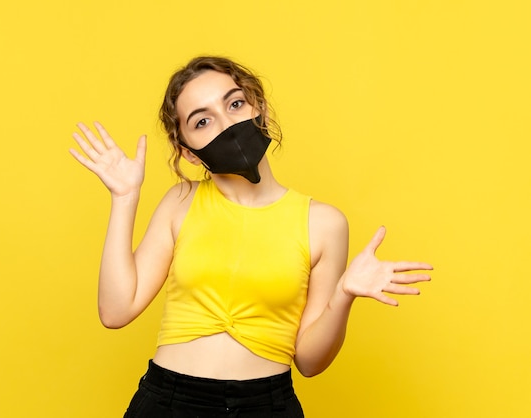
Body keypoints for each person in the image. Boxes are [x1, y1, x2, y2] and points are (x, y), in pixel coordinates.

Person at [69, 56, 432, 417]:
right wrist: (124, 198)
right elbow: (116, 311)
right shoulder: (181, 202)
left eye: (235, 103)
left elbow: (309, 361)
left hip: (267, 406)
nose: (226, 124)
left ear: (260, 109)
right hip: (169, 401)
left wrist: (343, 296)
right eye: (203, 120)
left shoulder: (323, 223)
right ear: (188, 152)